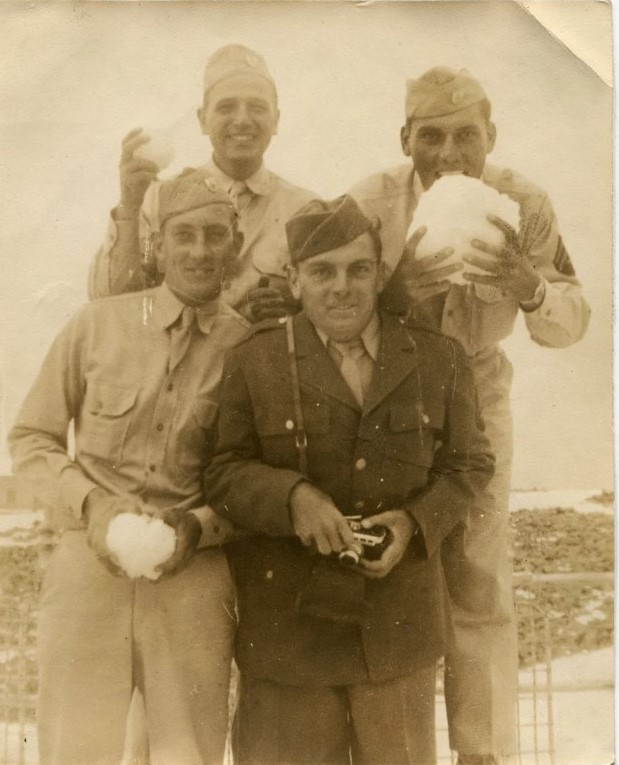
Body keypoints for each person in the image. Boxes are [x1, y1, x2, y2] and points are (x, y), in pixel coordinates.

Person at [349, 67, 591, 764]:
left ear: (491, 136)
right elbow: (320, 308)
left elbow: (570, 321)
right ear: (405, 139)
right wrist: (390, 295)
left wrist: (528, 285)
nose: (450, 153)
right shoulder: (369, 203)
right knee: (391, 570)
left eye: (466, 136)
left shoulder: (523, 202)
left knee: (477, 579)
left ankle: (483, 753)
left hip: (478, 398)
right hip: (386, 399)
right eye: (431, 136)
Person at [204, 195, 495, 765]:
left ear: (381, 274)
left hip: (397, 639)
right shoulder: (254, 360)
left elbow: (470, 465)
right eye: (322, 271)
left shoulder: (439, 358)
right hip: (289, 638)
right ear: (293, 278)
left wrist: (414, 523)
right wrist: (294, 498)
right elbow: (223, 470)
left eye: (358, 269)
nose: (342, 287)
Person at [9, 176, 249, 765]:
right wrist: (92, 506)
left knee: (188, 751)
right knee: (75, 748)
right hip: (87, 572)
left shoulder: (251, 348)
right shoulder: (95, 325)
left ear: (235, 246)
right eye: (182, 235)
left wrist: (196, 527)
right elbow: (31, 439)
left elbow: (253, 483)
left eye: (214, 235)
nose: (198, 250)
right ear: (156, 246)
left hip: (195, 578)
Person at [88, 43, 315, 322]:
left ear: (276, 120)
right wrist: (130, 205)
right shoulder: (157, 199)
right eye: (226, 107)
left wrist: (297, 303)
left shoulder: (305, 210)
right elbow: (109, 303)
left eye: (257, 107)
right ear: (202, 119)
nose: (242, 120)